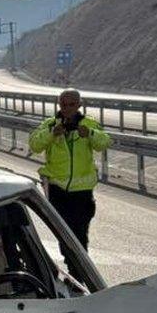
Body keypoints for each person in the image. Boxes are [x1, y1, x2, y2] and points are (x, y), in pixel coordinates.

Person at [28, 89, 111, 260]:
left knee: (80, 235)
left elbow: (104, 142)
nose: (67, 108)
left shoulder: (89, 124)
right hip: (57, 189)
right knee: (63, 234)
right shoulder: (51, 124)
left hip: (82, 191)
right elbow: (35, 145)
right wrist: (52, 134)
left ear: (79, 105)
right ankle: (72, 265)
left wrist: (90, 134)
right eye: (63, 105)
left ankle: (78, 274)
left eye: (71, 105)